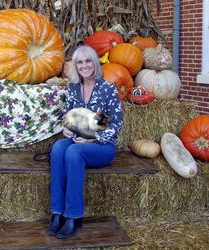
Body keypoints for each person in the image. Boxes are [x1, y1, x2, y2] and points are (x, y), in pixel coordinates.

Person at [47, 45, 124, 239]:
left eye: (88, 61)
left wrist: (95, 138)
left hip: (102, 145)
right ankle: (57, 213)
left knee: (74, 153)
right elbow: (70, 115)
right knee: (57, 149)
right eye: (79, 62)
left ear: (95, 63)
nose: (84, 65)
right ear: (75, 66)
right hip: (76, 139)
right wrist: (67, 128)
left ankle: (73, 216)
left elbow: (115, 121)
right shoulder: (73, 87)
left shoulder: (107, 88)